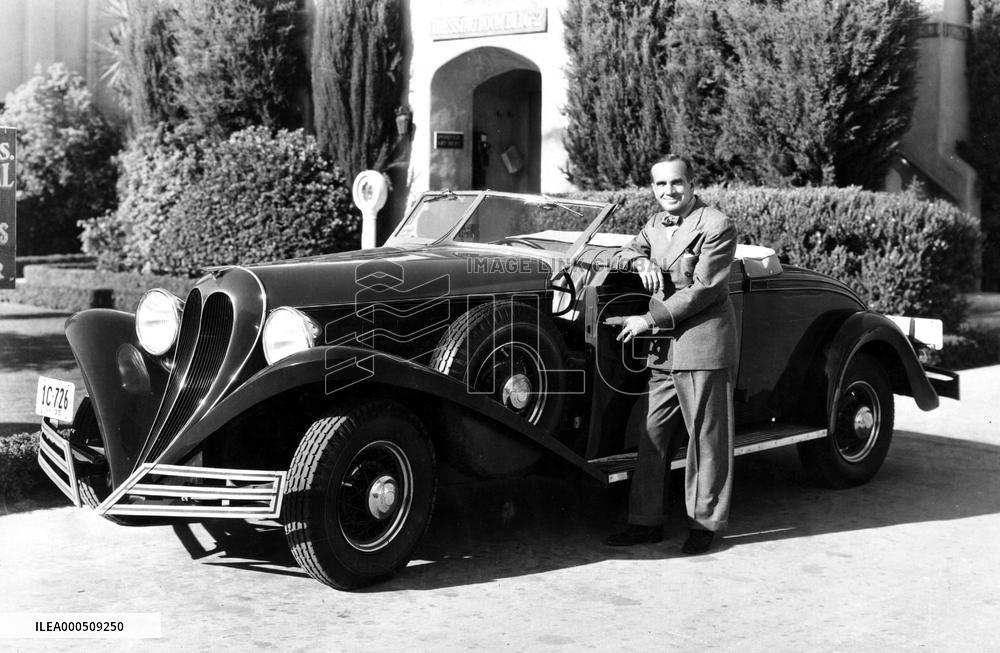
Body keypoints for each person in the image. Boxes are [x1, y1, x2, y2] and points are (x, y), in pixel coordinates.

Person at [604, 154, 738, 555]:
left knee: (706, 440)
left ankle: (705, 524)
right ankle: (646, 522)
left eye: (676, 183)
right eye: (660, 185)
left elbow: (704, 289)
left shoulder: (716, 225)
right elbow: (621, 252)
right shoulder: (655, 223)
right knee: (652, 437)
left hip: (701, 345)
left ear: (692, 183)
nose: (669, 191)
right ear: (652, 189)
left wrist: (647, 319)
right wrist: (639, 258)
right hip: (665, 350)